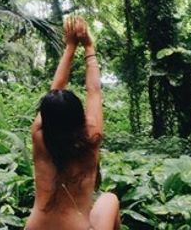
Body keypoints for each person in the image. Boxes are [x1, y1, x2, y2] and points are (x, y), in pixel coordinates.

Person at [25, 16, 121, 230]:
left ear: (46, 118)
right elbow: (94, 91)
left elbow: (55, 90)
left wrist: (70, 46)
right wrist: (88, 46)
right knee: (109, 200)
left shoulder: (39, 137)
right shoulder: (91, 138)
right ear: (79, 117)